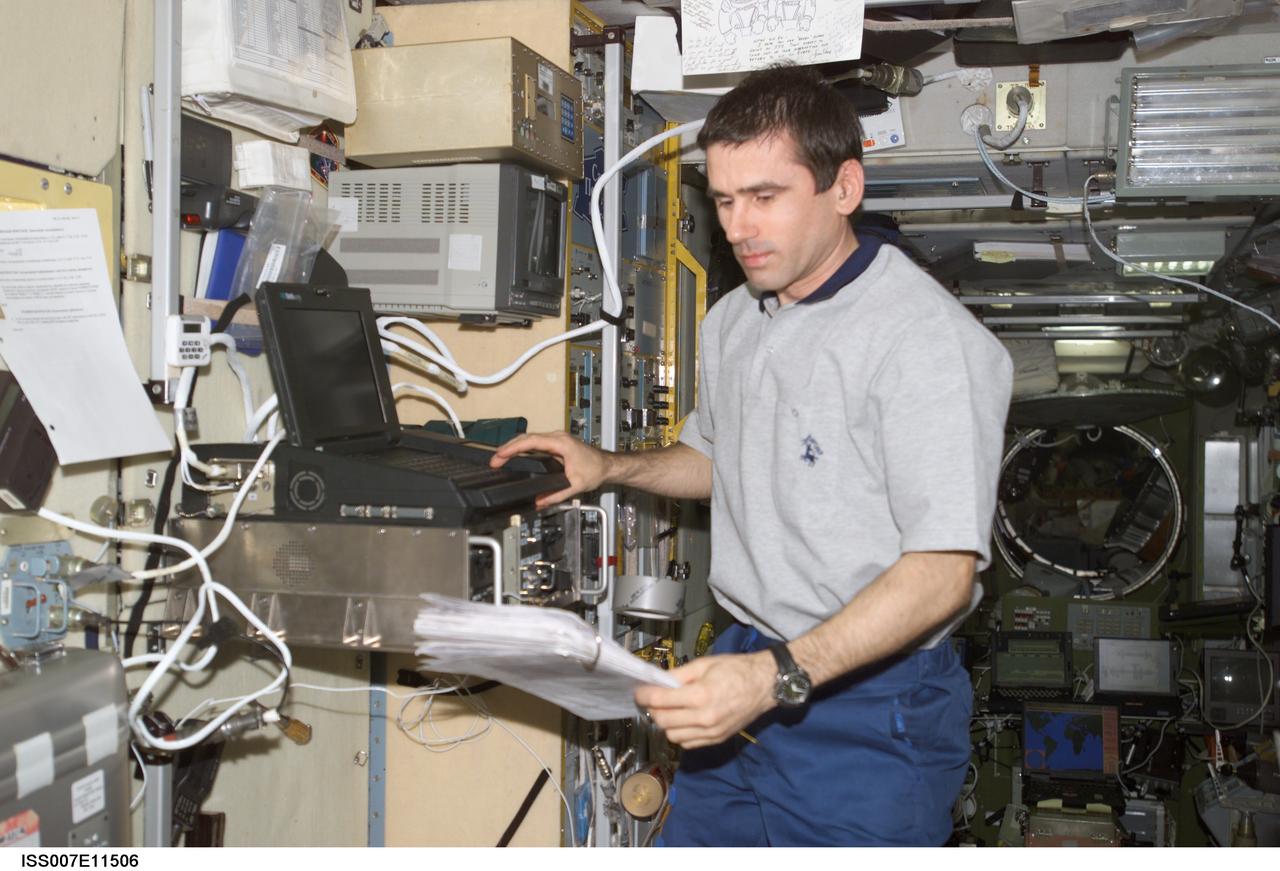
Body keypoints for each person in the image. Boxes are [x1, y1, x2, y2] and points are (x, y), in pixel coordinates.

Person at [491, 64, 1013, 846]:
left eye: (766, 197)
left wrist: (778, 677)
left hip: (871, 706)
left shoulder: (925, 341)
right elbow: (715, 459)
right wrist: (609, 466)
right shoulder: (737, 317)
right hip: (748, 658)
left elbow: (944, 572)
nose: (738, 228)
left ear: (845, 188)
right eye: (726, 201)